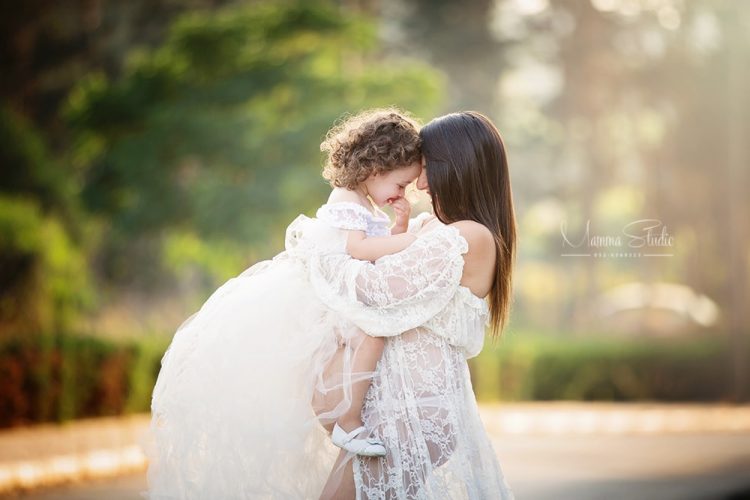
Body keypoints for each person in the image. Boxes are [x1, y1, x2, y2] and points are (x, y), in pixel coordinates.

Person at [143, 108, 429, 499]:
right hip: (324, 295)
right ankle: (348, 419)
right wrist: (412, 240)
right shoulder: (347, 197)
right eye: (401, 184)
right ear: (376, 167)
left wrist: (398, 226)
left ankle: (344, 416)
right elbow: (359, 249)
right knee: (374, 334)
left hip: (340, 291)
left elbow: (374, 249)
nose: (403, 194)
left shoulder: (369, 205)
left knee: (369, 340)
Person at [314, 111, 517, 499]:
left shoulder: (467, 235)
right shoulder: (440, 228)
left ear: (457, 168)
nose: (421, 184)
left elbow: (375, 288)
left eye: (427, 169)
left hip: (411, 413)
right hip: (397, 409)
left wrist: (318, 252)